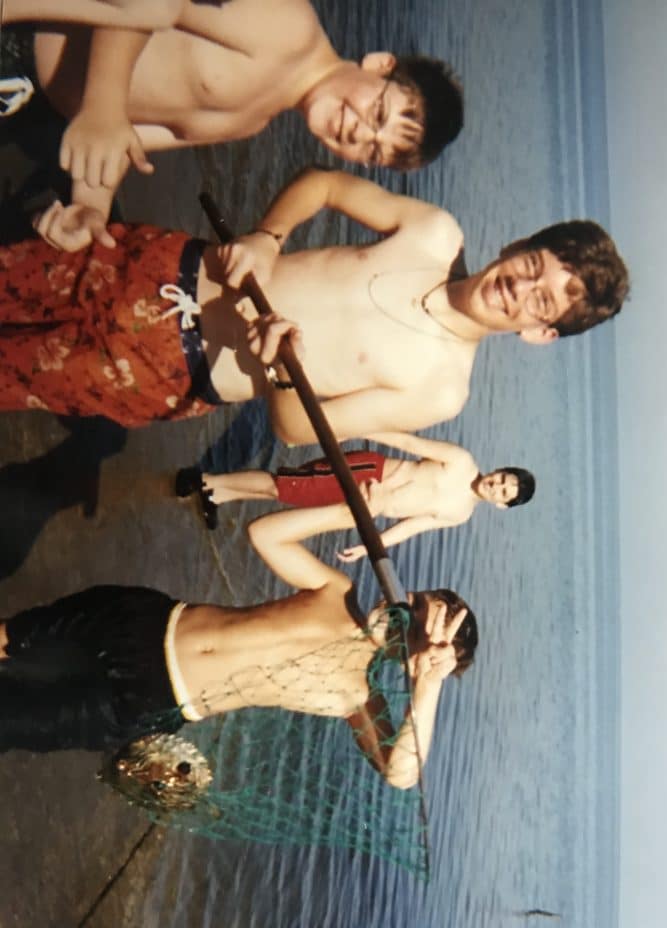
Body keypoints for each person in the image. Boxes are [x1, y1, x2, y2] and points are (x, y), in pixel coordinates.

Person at [0, 168, 629, 431]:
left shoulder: (441, 389)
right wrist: (268, 238)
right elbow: (324, 184)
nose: (520, 288)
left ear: (540, 334)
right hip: (161, 265)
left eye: (543, 304)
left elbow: (298, 428)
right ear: (520, 243)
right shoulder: (435, 231)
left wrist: (277, 369)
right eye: (532, 266)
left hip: (167, 373)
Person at [0, 503, 478, 789]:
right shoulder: (336, 592)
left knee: (15, 719)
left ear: (413, 655)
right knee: (12, 637)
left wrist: (427, 686)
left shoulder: (358, 699)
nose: (403, 611)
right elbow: (263, 534)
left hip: (153, 702)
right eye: (414, 601)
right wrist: (344, 511)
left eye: (414, 628)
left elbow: (400, 775)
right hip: (143, 622)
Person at [2, 0, 463, 247]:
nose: (359, 131)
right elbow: (152, 3)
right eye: (378, 113)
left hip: (24, 101)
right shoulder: (289, 26)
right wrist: (103, 103)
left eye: (372, 151)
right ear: (379, 64)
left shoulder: (253, 124)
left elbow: (122, 139)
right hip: (23, 27)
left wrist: (90, 205)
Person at [175, 433, 536, 543]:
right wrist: (364, 426)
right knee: (287, 487)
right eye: (503, 478)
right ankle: (206, 480)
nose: (496, 485)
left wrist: (370, 548)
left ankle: (218, 493)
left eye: (503, 492)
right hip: (369, 473)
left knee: (288, 493)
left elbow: (413, 526)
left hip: (367, 505)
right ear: (499, 470)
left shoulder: (460, 514)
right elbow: (411, 445)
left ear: (501, 506)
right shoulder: (462, 461)